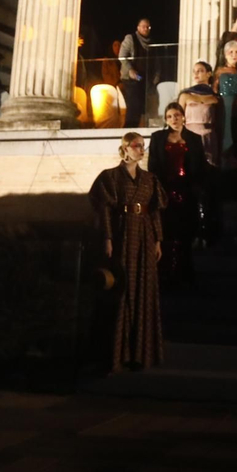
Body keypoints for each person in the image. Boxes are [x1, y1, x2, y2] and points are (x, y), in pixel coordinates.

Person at [89, 133, 165, 371]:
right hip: (123, 234)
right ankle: (116, 353)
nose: (142, 150)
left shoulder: (149, 179)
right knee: (122, 288)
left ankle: (142, 353)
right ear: (126, 148)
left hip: (144, 234)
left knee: (144, 288)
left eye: (143, 146)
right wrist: (109, 238)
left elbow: (154, 211)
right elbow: (105, 210)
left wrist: (158, 241)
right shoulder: (110, 177)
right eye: (137, 146)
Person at [149, 104, 207, 286]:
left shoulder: (195, 139)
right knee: (166, 232)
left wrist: (197, 187)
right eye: (169, 116)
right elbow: (153, 165)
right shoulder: (158, 138)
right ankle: (165, 275)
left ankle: (184, 275)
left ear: (183, 116)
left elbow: (200, 166)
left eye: (176, 115)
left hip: (186, 191)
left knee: (184, 232)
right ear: (166, 120)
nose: (174, 119)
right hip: (165, 190)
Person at [177, 61, 220, 164]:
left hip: (208, 136)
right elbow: (178, 117)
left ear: (208, 74)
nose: (196, 74)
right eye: (194, 71)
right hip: (190, 134)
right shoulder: (185, 95)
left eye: (200, 71)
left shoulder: (215, 97)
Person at [118, 18, 153, 128]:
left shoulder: (151, 42)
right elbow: (122, 56)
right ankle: (128, 130)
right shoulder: (130, 38)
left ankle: (138, 128)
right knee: (134, 105)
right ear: (138, 28)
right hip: (131, 78)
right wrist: (130, 70)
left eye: (148, 27)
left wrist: (156, 77)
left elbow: (155, 61)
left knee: (143, 107)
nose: (146, 29)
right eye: (143, 26)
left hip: (145, 79)